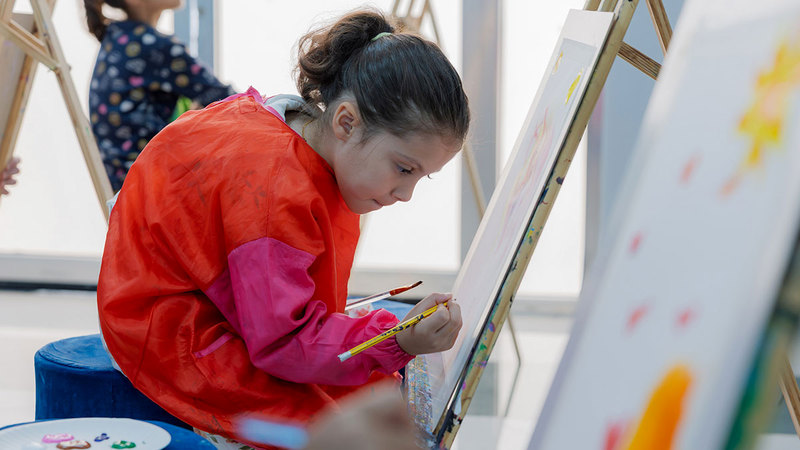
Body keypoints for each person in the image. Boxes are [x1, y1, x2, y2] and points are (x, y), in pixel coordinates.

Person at [97, 8, 468, 448]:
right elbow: (283, 343)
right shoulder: (277, 192)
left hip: (196, 300)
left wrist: (381, 339)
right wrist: (394, 340)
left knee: (368, 392)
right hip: (165, 329)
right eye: (404, 169)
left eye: (421, 177)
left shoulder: (298, 126)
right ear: (346, 122)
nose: (406, 194)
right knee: (343, 431)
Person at [83, 0, 235, 192]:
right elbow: (230, 100)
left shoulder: (117, 36)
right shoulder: (154, 46)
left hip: (121, 187)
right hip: (151, 188)